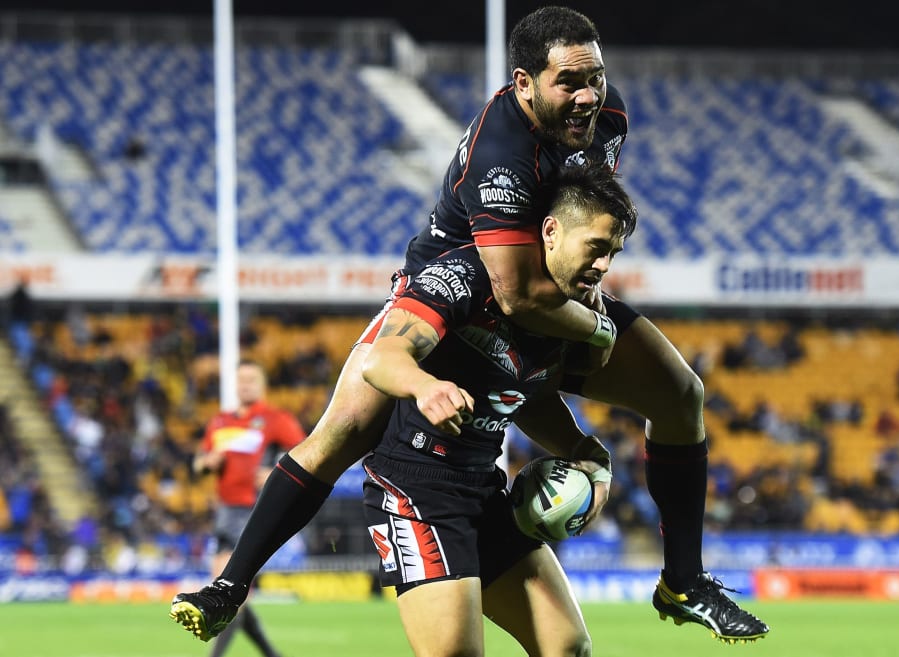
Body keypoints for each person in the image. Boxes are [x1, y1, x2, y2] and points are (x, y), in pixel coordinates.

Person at [171, 5, 768, 644]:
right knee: (342, 432)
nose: (587, 95)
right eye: (568, 82)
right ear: (524, 84)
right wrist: (595, 332)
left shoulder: (607, 118)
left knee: (680, 394)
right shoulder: (501, 152)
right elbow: (517, 294)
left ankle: (684, 579)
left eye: (594, 77)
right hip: (460, 288)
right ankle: (229, 584)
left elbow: (581, 222)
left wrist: (585, 435)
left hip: (549, 287)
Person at [359, 163, 628, 656]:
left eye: (613, 252)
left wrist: (587, 451)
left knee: (567, 646)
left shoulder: (576, 313)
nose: (605, 264)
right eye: (596, 247)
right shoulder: (467, 274)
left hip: (483, 489)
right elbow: (381, 359)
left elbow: (527, 397)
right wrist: (424, 387)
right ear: (551, 231)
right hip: (417, 488)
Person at [170, 359, 305, 656]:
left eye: (251, 380)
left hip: (252, 511)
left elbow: (305, 453)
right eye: (241, 380)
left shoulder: (275, 419)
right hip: (225, 512)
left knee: (227, 589)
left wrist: (277, 471)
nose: (245, 385)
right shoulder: (220, 423)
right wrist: (207, 463)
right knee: (230, 591)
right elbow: (199, 463)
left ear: (262, 385)